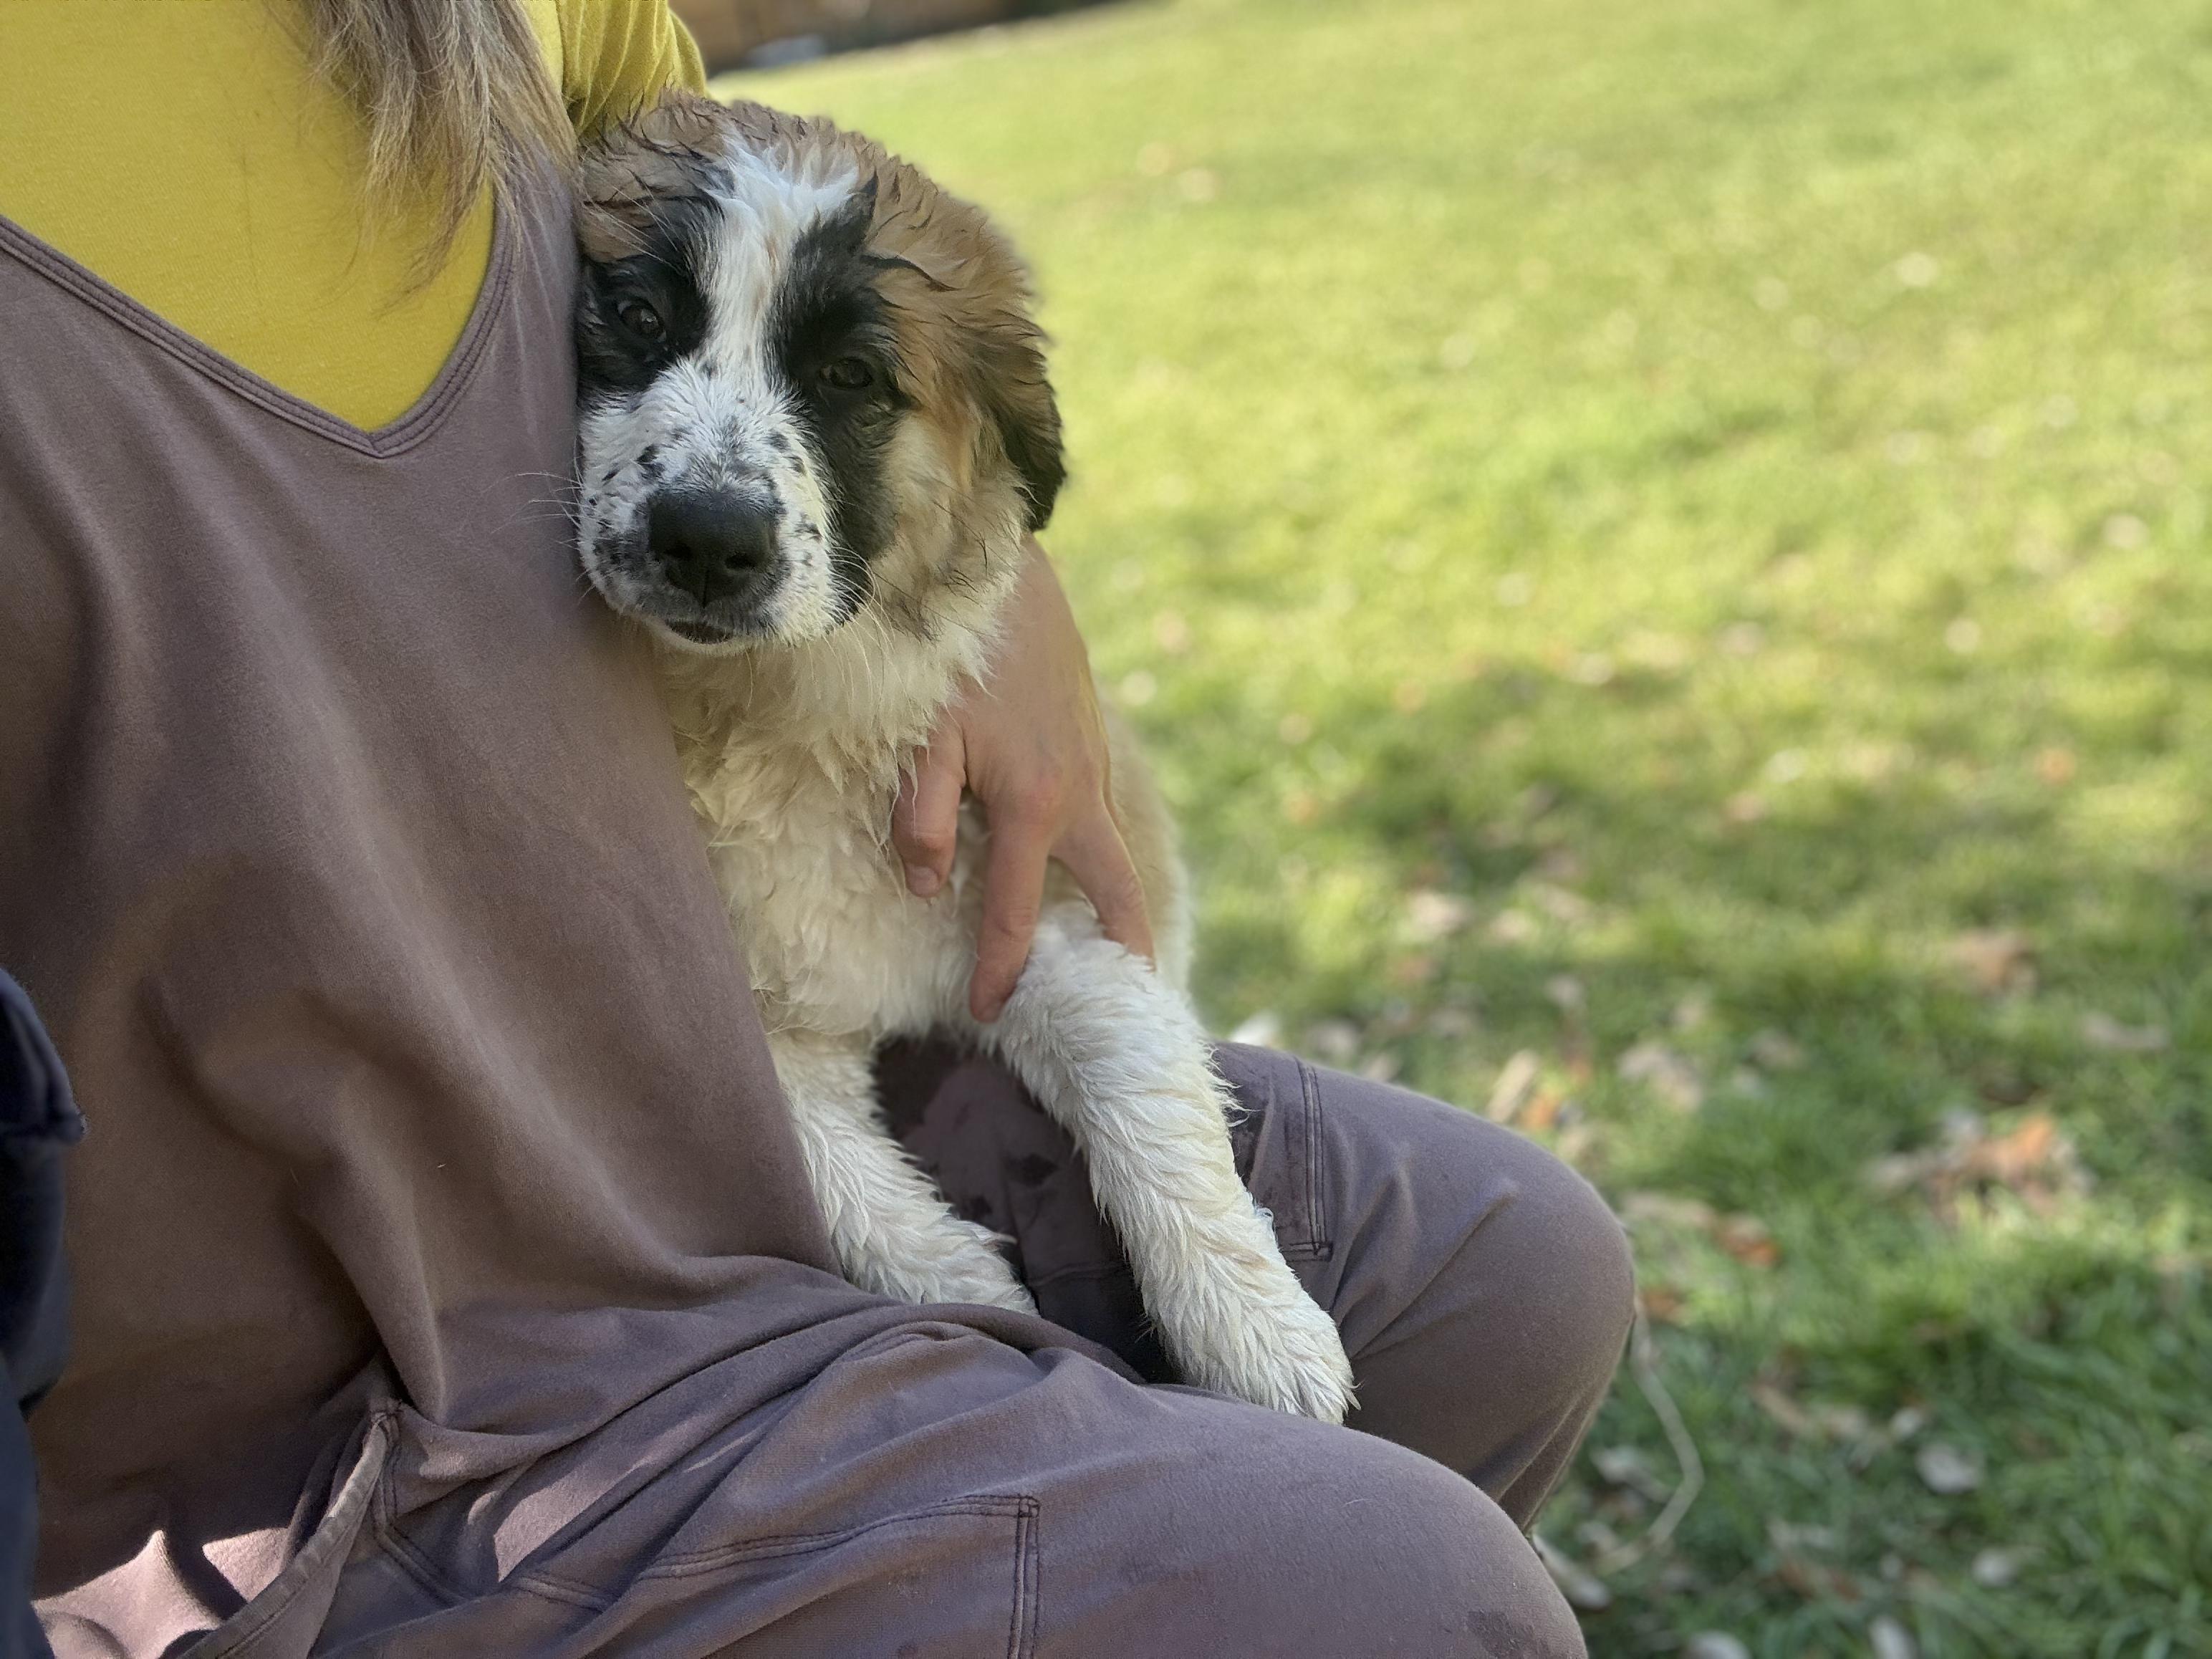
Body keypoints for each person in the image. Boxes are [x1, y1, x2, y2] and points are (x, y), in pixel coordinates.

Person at [0, 2, 1632, 1653]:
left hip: (702, 1065)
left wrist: (1012, 599)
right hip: (344, 1362)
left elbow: (799, 209)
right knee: (1398, 1596)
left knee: (1507, 1272)